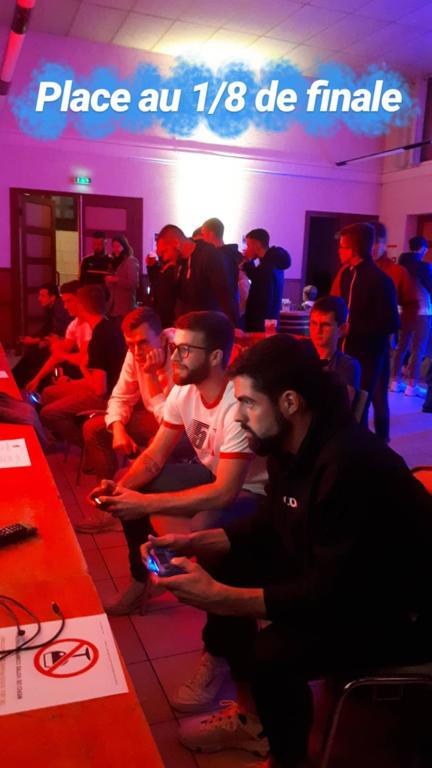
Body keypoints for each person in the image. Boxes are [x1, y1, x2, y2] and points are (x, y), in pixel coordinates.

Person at [143, 334, 432, 767]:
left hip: (402, 613)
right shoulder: (288, 443)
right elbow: (272, 522)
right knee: (227, 561)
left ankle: (288, 759)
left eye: (247, 403)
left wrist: (220, 597)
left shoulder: (349, 465)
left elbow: (332, 594)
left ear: (290, 402)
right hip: (346, 577)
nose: (237, 415)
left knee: (272, 655)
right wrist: (195, 541)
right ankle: (252, 718)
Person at [89, 311, 267, 615]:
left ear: (215, 357)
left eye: (185, 350)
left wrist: (142, 503)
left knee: (203, 525)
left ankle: (221, 618)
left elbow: (224, 492)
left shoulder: (236, 404)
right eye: (175, 348)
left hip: (254, 490)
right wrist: (119, 491)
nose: (173, 358)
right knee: (131, 484)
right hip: (215, 474)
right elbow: (153, 458)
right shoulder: (183, 392)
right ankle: (142, 580)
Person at [77, 307, 177, 532]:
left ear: (161, 338)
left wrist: (150, 376)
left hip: (179, 428)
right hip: (155, 416)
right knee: (94, 428)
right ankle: (109, 501)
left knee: (152, 447)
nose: (136, 351)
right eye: (130, 344)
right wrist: (118, 427)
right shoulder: (134, 354)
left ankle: (124, 506)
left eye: (143, 343)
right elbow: (120, 396)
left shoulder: (180, 354)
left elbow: (172, 421)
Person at [331, 223, 399, 441]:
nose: (339, 251)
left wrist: (354, 328)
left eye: (342, 247)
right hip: (346, 352)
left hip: (370, 355)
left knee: (365, 403)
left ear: (354, 250)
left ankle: (379, 446)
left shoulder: (380, 280)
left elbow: (391, 323)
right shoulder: (346, 275)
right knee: (347, 404)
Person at [40, 285, 126, 445]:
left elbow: (100, 390)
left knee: (48, 413)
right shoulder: (106, 326)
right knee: (48, 393)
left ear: (81, 305)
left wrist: (82, 368)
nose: (67, 306)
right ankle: (61, 437)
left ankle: (86, 445)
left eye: (71, 301)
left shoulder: (99, 337)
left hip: (108, 396)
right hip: (103, 385)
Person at [369, 221, 419, 438]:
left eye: (377, 242)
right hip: (352, 341)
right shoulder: (351, 270)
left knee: (379, 395)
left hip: (381, 342)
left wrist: (400, 331)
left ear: (383, 243)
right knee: (354, 394)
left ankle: (382, 439)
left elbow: (411, 305)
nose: (373, 247)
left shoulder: (396, 272)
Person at [156, 224, 238, 325]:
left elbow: (226, 294)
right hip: (192, 329)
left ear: (176, 243)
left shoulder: (209, 255)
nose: (164, 258)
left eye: (165, 252)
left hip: (211, 327)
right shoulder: (180, 264)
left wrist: (233, 327)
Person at [25, 280, 92, 393]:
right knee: (46, 386)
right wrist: (37, 379)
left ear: (81, 301)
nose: (65, 306)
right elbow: (58, 353)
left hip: (93, 380)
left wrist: (61, 353)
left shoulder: (91, 324)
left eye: (69, 301)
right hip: (83, 372)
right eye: (64, 302)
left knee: (49, 395)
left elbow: (84, 359)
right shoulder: (74, 324)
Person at [392, 236, 432, 396]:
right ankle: (411, 385)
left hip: (404, 311)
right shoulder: (424, 267)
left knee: (401, 347)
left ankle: (395, 382)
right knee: (418, 349)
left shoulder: (401, 267)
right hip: (422, 312)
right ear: (422, 249)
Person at [12, 283, 71, 389]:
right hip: (54, 341)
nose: (39, 298)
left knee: (35, 356)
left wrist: (37, 341)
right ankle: (15, 382)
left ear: (52, 297)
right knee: (31, 353)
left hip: (62, 344)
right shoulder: (51, 307)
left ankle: (20, 384)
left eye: (43, 295)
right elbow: (46, 329)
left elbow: (58, 333)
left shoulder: (59, 308)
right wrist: (34, 339)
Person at [309, 295, 360, 396]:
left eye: (325, 325)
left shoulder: (347, 366)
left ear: (342, 329)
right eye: (313, 323)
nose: (317, 330)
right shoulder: (301, 357)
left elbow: (344, 403)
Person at [242, 228, 291, 332]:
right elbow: (256, 275)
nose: (247, 249)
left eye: (248, 245)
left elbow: (262, 301)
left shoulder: (266, 267)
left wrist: (247, 261)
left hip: (261, 324)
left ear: (257, 244)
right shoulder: (274, 262)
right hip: (271, 321)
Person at [201, 217, 242, 326]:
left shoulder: (217, 257)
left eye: (203, 235)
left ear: (211, 234)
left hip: (220, 311)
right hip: (231, 309)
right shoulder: (234, 255)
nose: (202, 239)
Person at [105, 234, 140, 322]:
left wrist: (116, 279)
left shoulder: (130, 261)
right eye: (113, 247)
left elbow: (133, 283)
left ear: (124, 246)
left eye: (118, 246)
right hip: (113, 306)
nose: (115, 249)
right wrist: (108, 280)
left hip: (125, 307)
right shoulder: (114, 262)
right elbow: (111, 287)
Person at [147, 238, 180, 329]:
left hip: (168, 314)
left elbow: (168, 294)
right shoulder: (164, 266)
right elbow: (155, 282)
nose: (159, 251)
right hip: (161, 311)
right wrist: (151, 267)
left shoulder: (174, 268)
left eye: (164, 250)